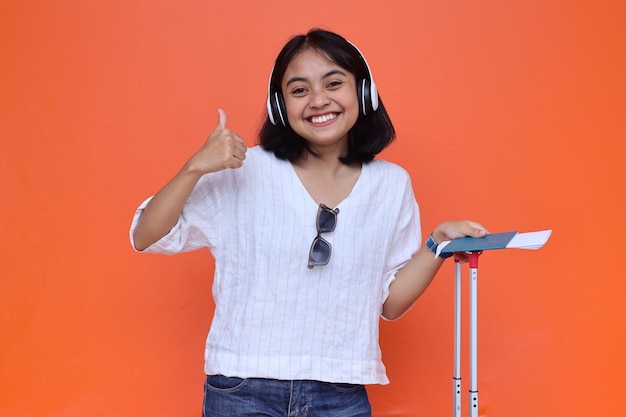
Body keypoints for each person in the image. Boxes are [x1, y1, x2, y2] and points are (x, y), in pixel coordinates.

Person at [130, 28, 488, 417]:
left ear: (363, 93)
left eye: (334, 83)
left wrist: (437, 243)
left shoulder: (391, 184)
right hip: (242, 390)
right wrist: (193, 168)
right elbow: (146, 235)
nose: (319, 101)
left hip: (340, 392)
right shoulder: (245, 170)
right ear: (281, 106)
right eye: (300, 90)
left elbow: (390, 304)